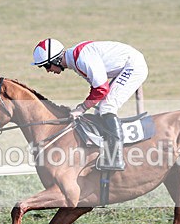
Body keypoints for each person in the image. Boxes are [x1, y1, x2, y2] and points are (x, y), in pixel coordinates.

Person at [30, 38, 148, 171]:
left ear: (56, 60)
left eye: (46, 66)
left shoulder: (81, 60)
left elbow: (101, 89)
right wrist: (84, 107)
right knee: (99, 109)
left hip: (133, 66)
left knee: (107, 107)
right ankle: (102, 152)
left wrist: (81, 108)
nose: (47, 71)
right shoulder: (75, 60)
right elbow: (97, 88)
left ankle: (115, 158)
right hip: (127, 65)